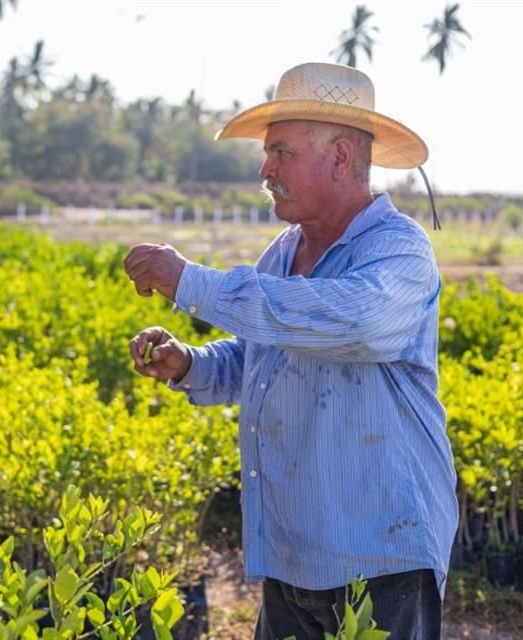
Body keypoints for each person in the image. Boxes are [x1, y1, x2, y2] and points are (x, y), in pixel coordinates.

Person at [124, 62, 458, 640]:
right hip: (293, 547)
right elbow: (266, 353)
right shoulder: (283, 251)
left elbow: (348, 322)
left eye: (281, 153)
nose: (265, 170)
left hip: (379, 553)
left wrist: (192, 282)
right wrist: (192, 363)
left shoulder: (399, 251)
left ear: (339, 158)